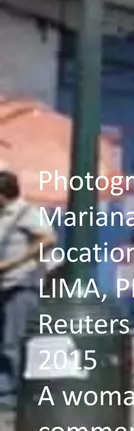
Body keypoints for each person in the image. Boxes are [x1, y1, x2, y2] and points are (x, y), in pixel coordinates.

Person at [0, 169, 53, 411]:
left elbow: (48, 239)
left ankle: (14, 395)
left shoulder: (26, 213)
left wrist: (15, 262)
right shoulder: (3, 215)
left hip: (20, 284)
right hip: (4, 286)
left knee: (14, 341)